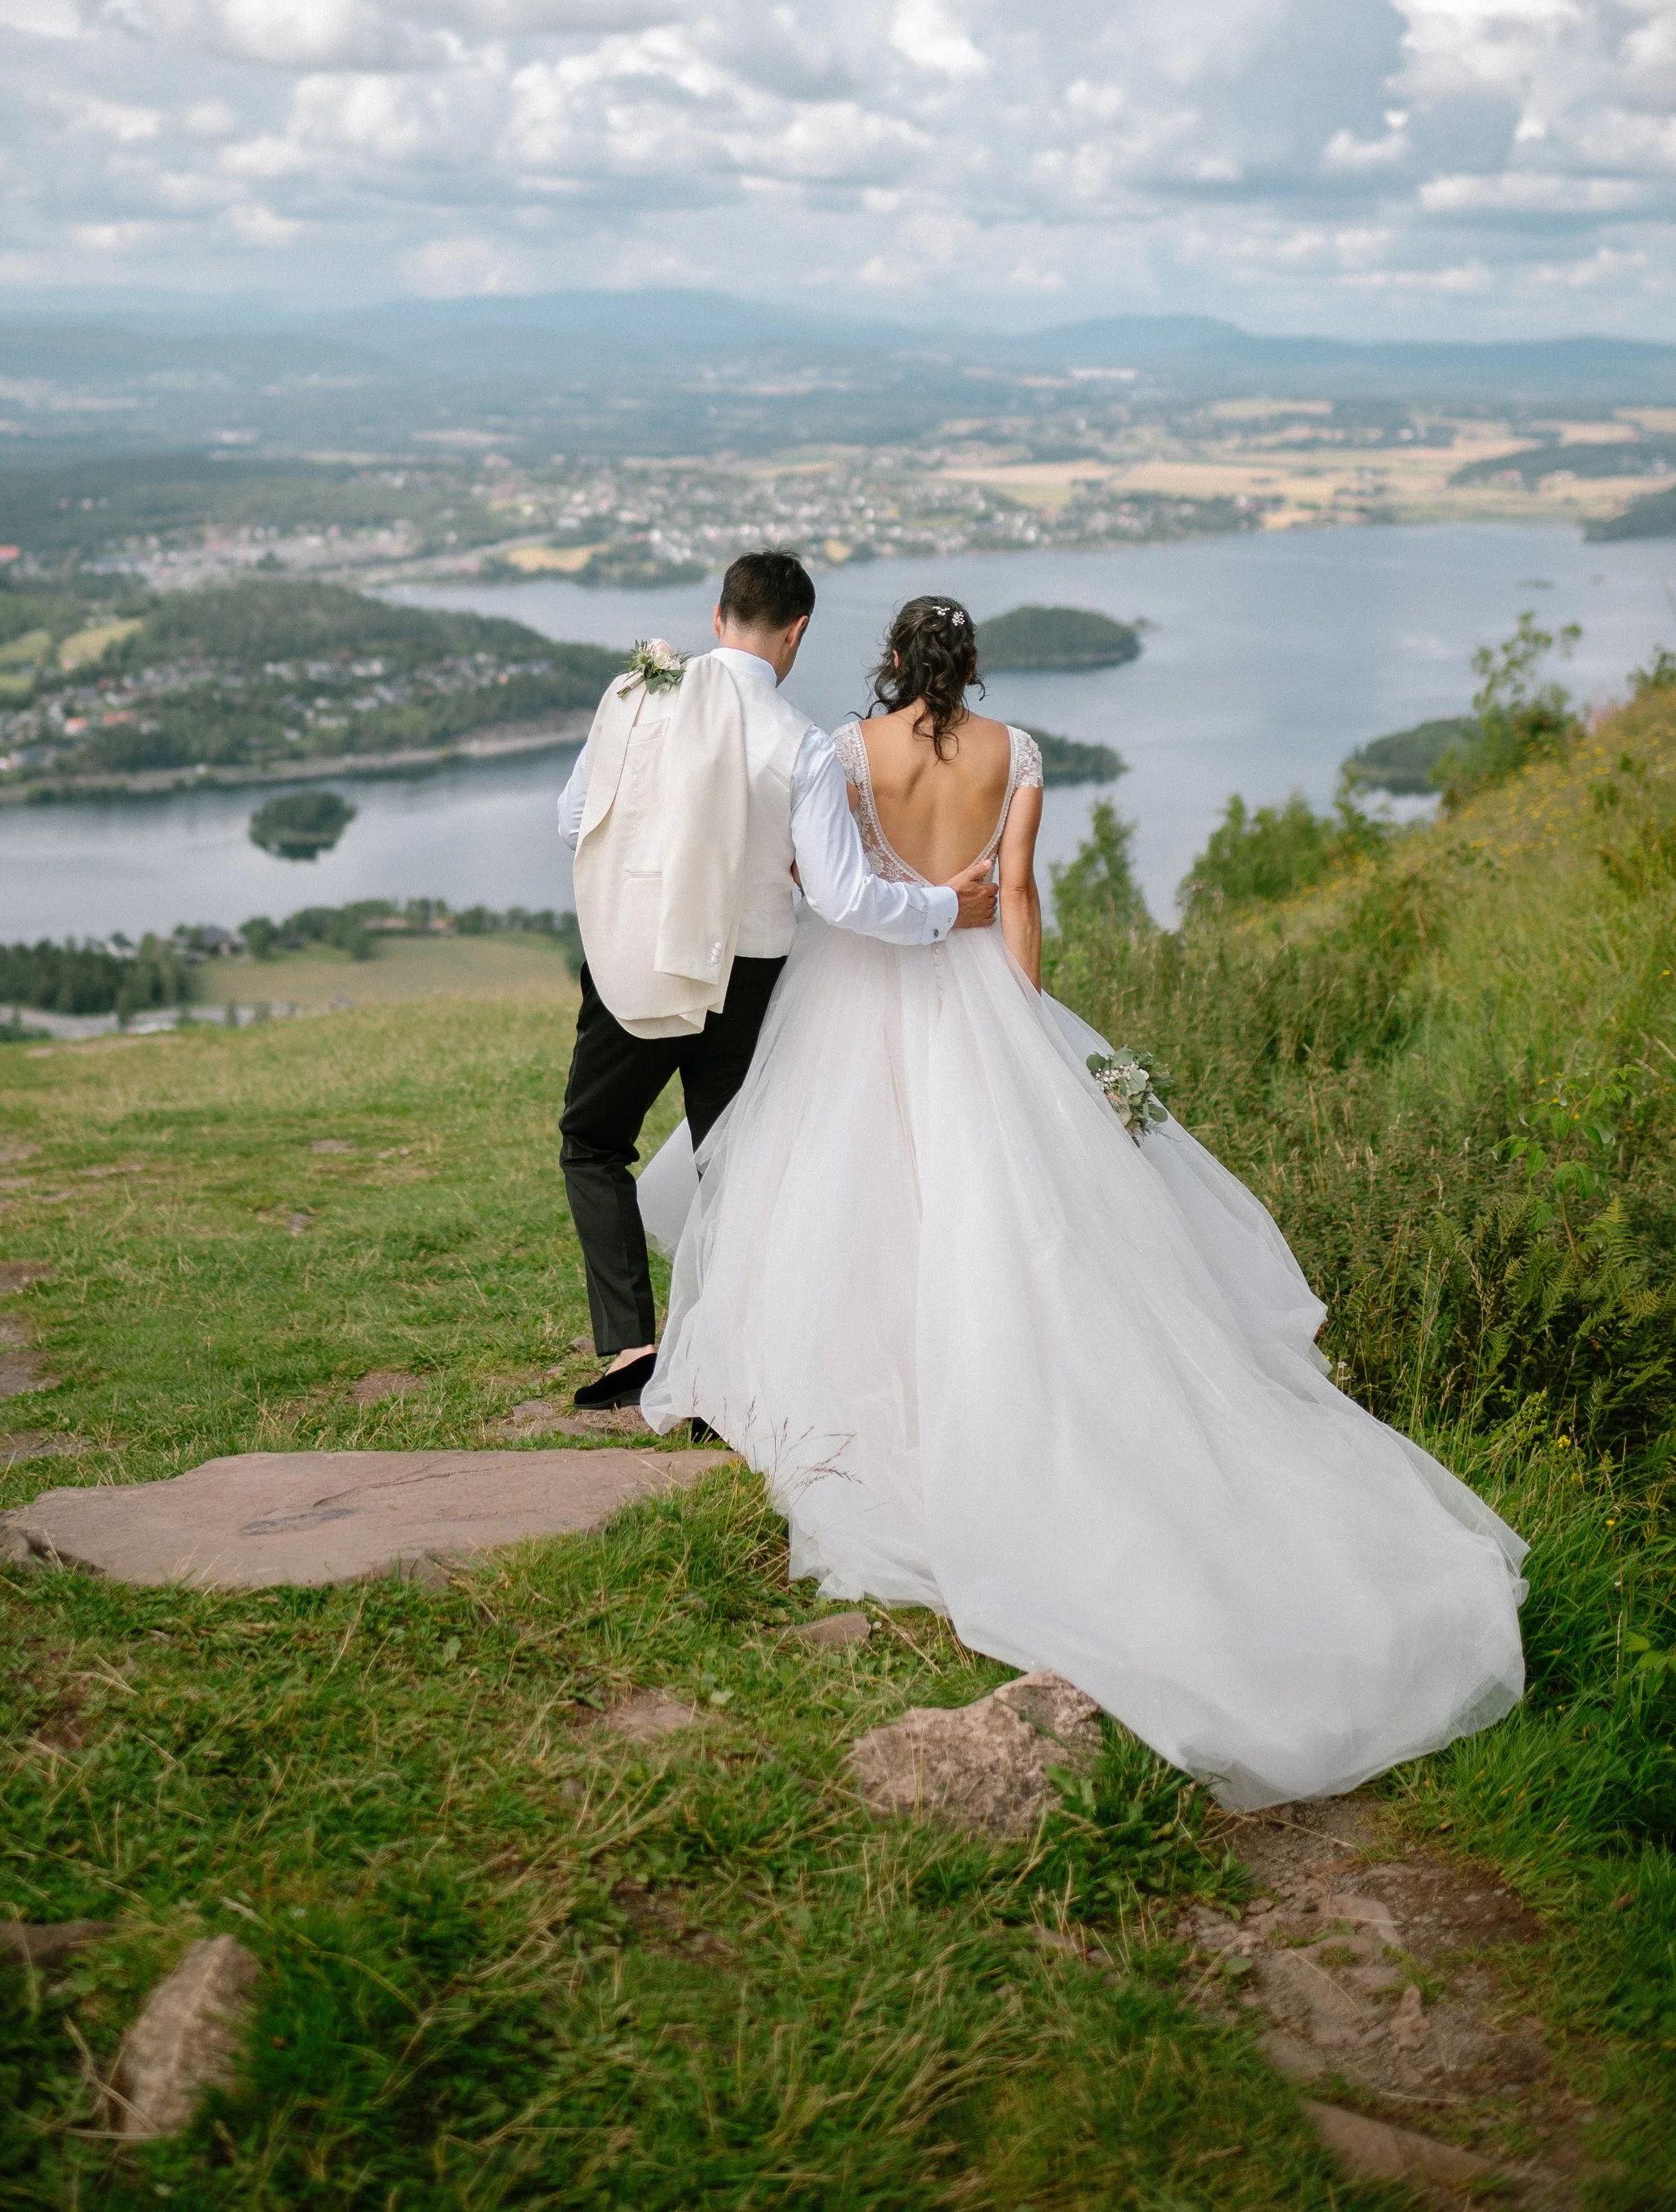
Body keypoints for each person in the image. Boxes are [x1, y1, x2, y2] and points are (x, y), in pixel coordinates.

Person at [643, 593, 1527, 1809]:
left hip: (856, 999)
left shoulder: (843, 752)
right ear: (974, 669)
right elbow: (1017, 897)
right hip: (975, 994)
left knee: (842, 1201)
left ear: (895, 662)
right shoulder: (1017, 754)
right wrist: (1029, 1026)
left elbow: (826, 889)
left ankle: (861, 1386)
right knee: (1004, 1219)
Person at [555, 552, 998, 1411]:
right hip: (747, 972)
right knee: (738, 1166)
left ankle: (631, 1349)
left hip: (635, 960)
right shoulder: (798, 742)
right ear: (795, 632)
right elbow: (840, 898)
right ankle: (727, 1362)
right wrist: (948, 907)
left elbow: (574, 821)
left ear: (718, 616)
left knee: (593, 1142)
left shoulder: (636, 698)